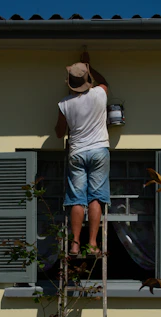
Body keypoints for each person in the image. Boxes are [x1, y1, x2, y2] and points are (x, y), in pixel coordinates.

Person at [55, 52, 110, 256]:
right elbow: (104, 82)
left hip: (77, 152)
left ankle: (75, 244)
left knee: (77, 199)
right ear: (88, 80)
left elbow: (60, 132)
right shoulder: (99, 93)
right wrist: (89, 65)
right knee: (95, 198)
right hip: (99, 150)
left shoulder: (64, 104)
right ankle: (93, 243)